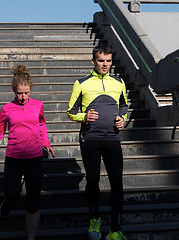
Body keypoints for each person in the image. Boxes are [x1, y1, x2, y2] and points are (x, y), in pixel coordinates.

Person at [0, 64, 55, 240]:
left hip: (35, 157)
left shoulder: (38, 105)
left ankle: (31, 237)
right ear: (14, 90)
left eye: (26, 93)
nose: (23, 97)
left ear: (30, 90)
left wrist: (46, 142)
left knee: (33, 201)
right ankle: (8, 202)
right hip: (14, 158)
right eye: (20, 93)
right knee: (13, 193)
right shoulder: (7, 108)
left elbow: (42, 124)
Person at [67, 45, 128, 240]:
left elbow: (124, 105)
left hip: (112, 139)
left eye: (108, 61)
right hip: (90, 139)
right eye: (101, 60)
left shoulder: (119, 82)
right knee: (93, 179)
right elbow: (70, 111)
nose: (105, 64)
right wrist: (84, 116)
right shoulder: (82, 83)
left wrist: (122, 118)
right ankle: (95, 219)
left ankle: (115, 229)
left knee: (117, 183)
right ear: (93, 61)